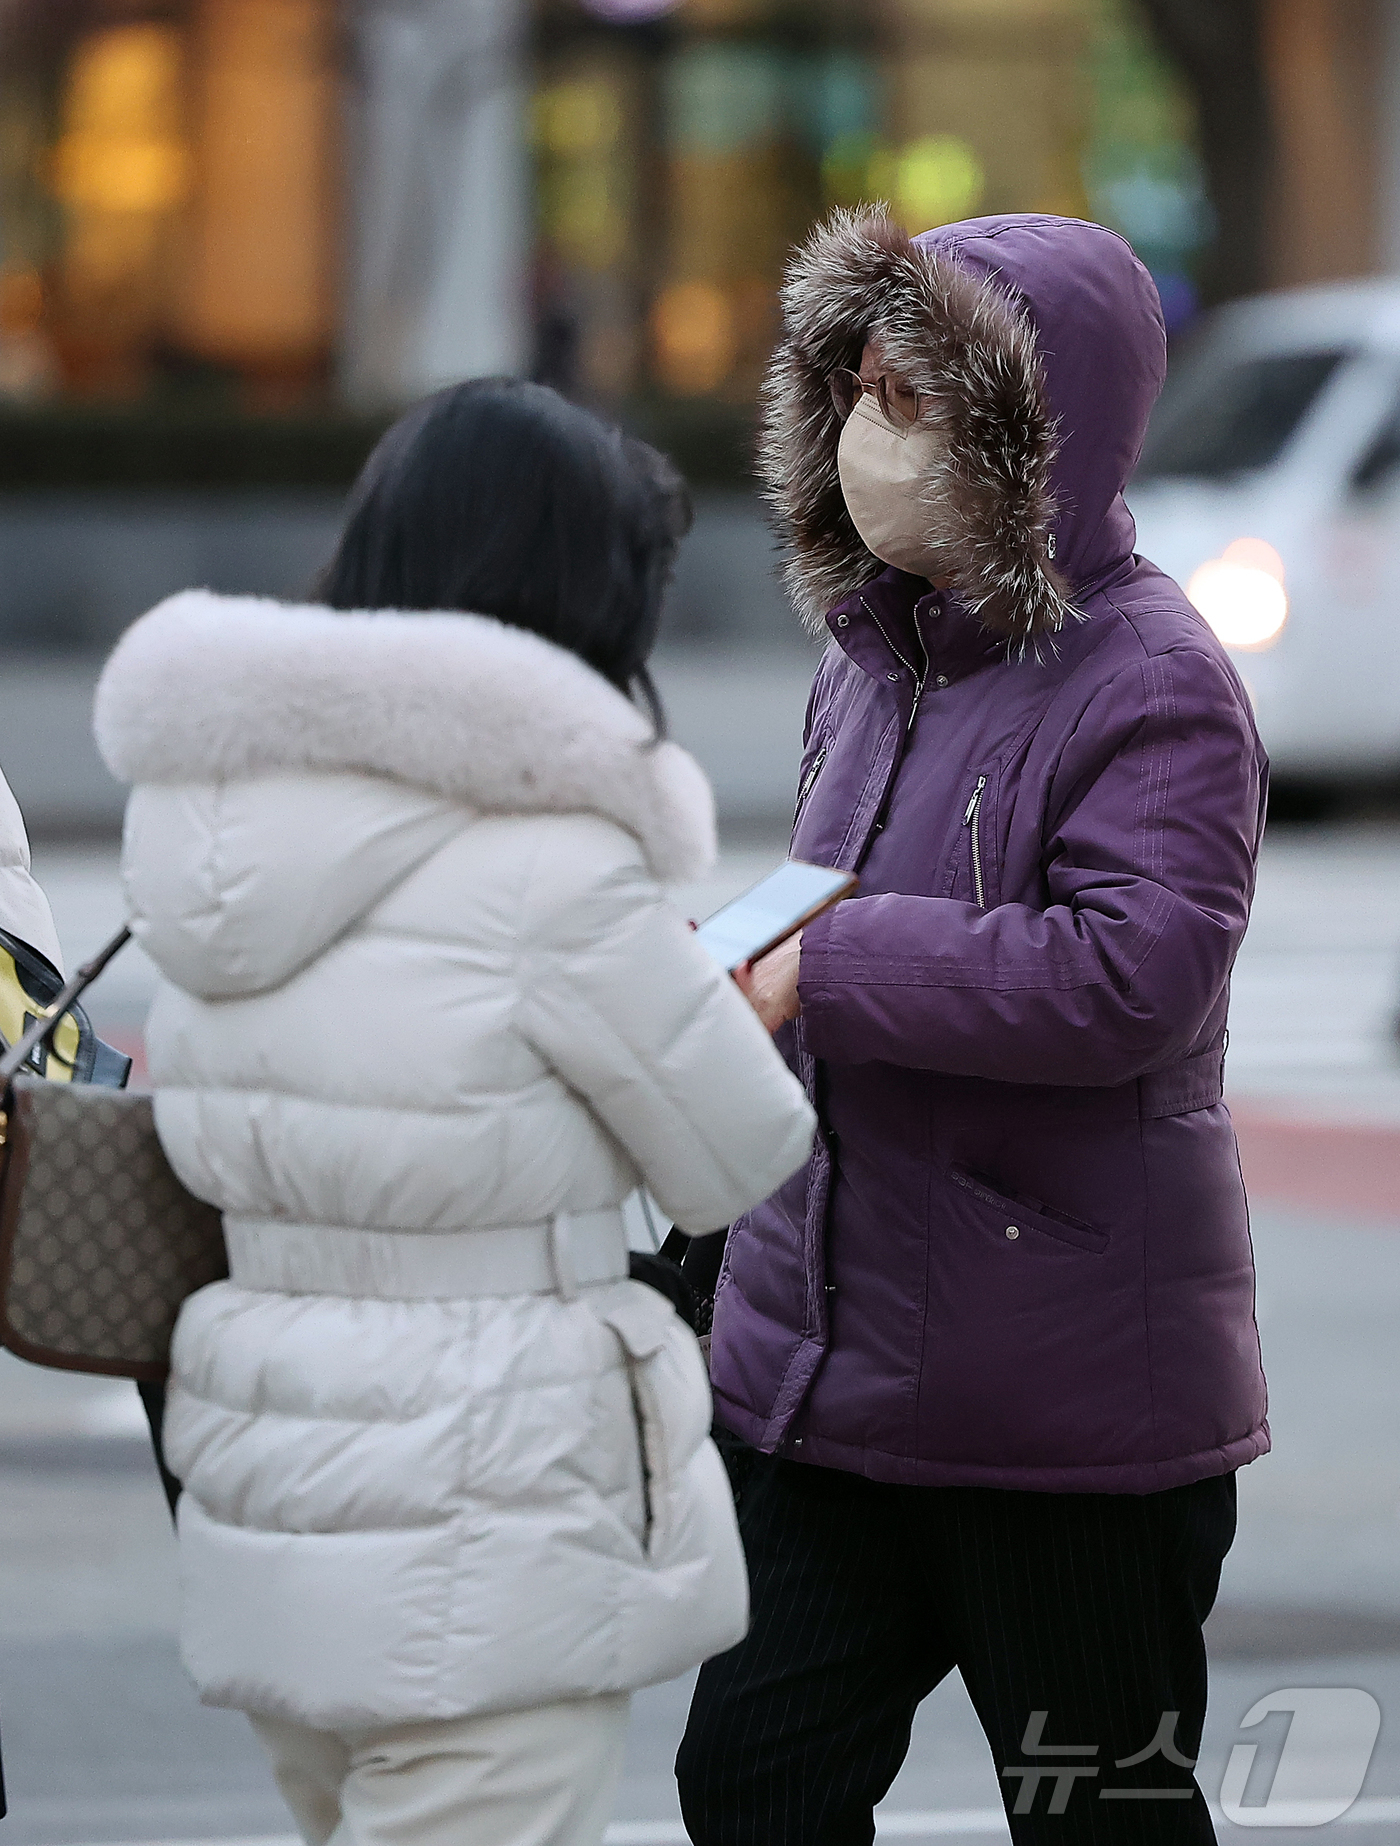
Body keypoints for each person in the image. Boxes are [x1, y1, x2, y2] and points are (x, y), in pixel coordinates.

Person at [92, 378, 816, 1846]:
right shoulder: (553, 866)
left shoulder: (218, 834)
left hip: (276, 1508)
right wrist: (731, 1015)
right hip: (490, 1542)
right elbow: (739, 1151)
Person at [677, 211, 1269, 1844]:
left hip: (1064, 1402)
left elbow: (1131, 975)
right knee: (749, 1783)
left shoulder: (1153, 677)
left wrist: (837, 960)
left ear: (1033, 434)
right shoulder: (871, 652)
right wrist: (740, 958)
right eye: (859, 387)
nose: (875, 431)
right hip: (831, 1372)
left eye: (917, 397)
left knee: (1100, 1814)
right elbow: (822, 895)